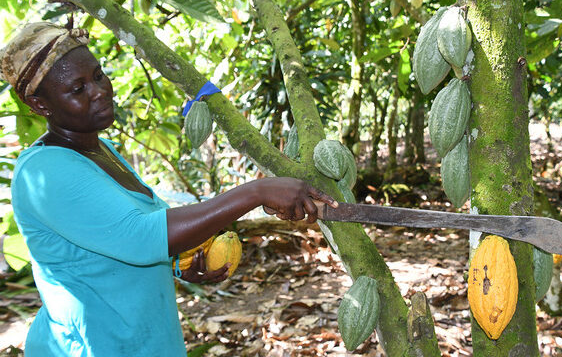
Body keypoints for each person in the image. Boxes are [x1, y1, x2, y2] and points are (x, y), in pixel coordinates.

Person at [0, 21, 337, 356]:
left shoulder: (101, 151)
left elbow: (147, 225)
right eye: (77, 89)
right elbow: (142, 237)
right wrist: (255, 193)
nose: (99, 90)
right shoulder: (44, 171)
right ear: (40, 105)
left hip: (146, 343)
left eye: (99, 75)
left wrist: (180, 261)